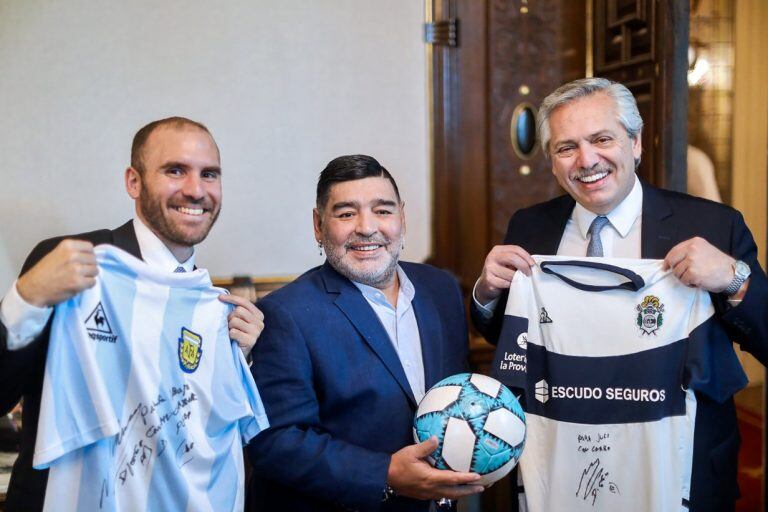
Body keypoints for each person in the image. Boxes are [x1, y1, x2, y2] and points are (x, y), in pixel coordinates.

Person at [471, 77, 767, 512]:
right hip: (562, 466)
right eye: (566, 147)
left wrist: (733, 276)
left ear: (636, 143)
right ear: (553, 163)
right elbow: (514, 336)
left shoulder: (712, 224)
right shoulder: (529, 227)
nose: (586, 159)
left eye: (602, 139)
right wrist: (487, 291)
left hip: (679, 469)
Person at [0, 117, 265, 511]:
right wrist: (27, 299)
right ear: (134, 182)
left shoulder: (215, 307)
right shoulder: (73, 262)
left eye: (209, 174)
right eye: (175, 170)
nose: (195, 190)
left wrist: (242, 356)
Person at [246, 155, 482, 511]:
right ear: (318, 225)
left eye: (383, 210)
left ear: (402, 217)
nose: (367, 227)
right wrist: (384, 473)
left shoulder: (442, 290)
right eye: (346, 213)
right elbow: (276, 442)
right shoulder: (286, 313)